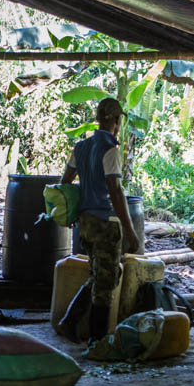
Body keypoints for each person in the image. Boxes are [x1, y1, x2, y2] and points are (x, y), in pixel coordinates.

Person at [59, 97, 141, 341]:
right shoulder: (111, 149)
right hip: (105, 223)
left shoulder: (81, 147)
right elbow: (115, 190)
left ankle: (69, 322)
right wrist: (130, 230)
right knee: (106, 283)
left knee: (99, 275)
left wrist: (74, 210)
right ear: (116, 121)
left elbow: (65, 182)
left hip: (85, 221)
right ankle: (98, 342)